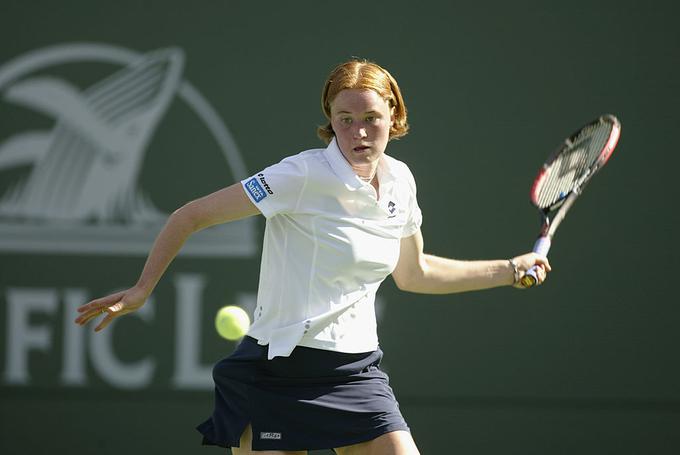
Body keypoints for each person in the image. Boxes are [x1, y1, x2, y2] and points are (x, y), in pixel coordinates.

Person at [75, 58, 550, 455]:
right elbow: (189, 216)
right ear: (330, 119)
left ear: (394, 115)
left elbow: (415, 272)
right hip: (275, 375)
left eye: (371, 118)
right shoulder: (300, 175)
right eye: (345, 119)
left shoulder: (401, 181)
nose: (359, 132)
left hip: (356, 372)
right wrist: (142, 290)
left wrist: (508, 270)